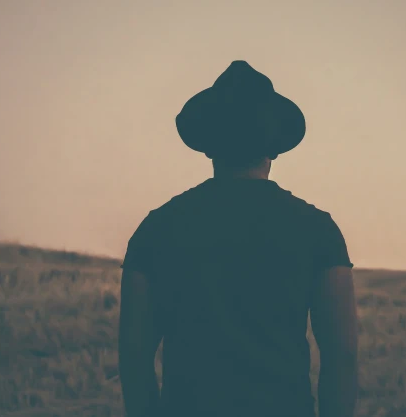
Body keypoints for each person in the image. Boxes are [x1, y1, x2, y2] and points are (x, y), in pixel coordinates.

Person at [119, 60, 358, 417]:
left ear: (208, 147)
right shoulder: (318, 229)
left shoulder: (156, 228)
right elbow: (341, 358)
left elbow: (134, 359)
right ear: (274, 148)